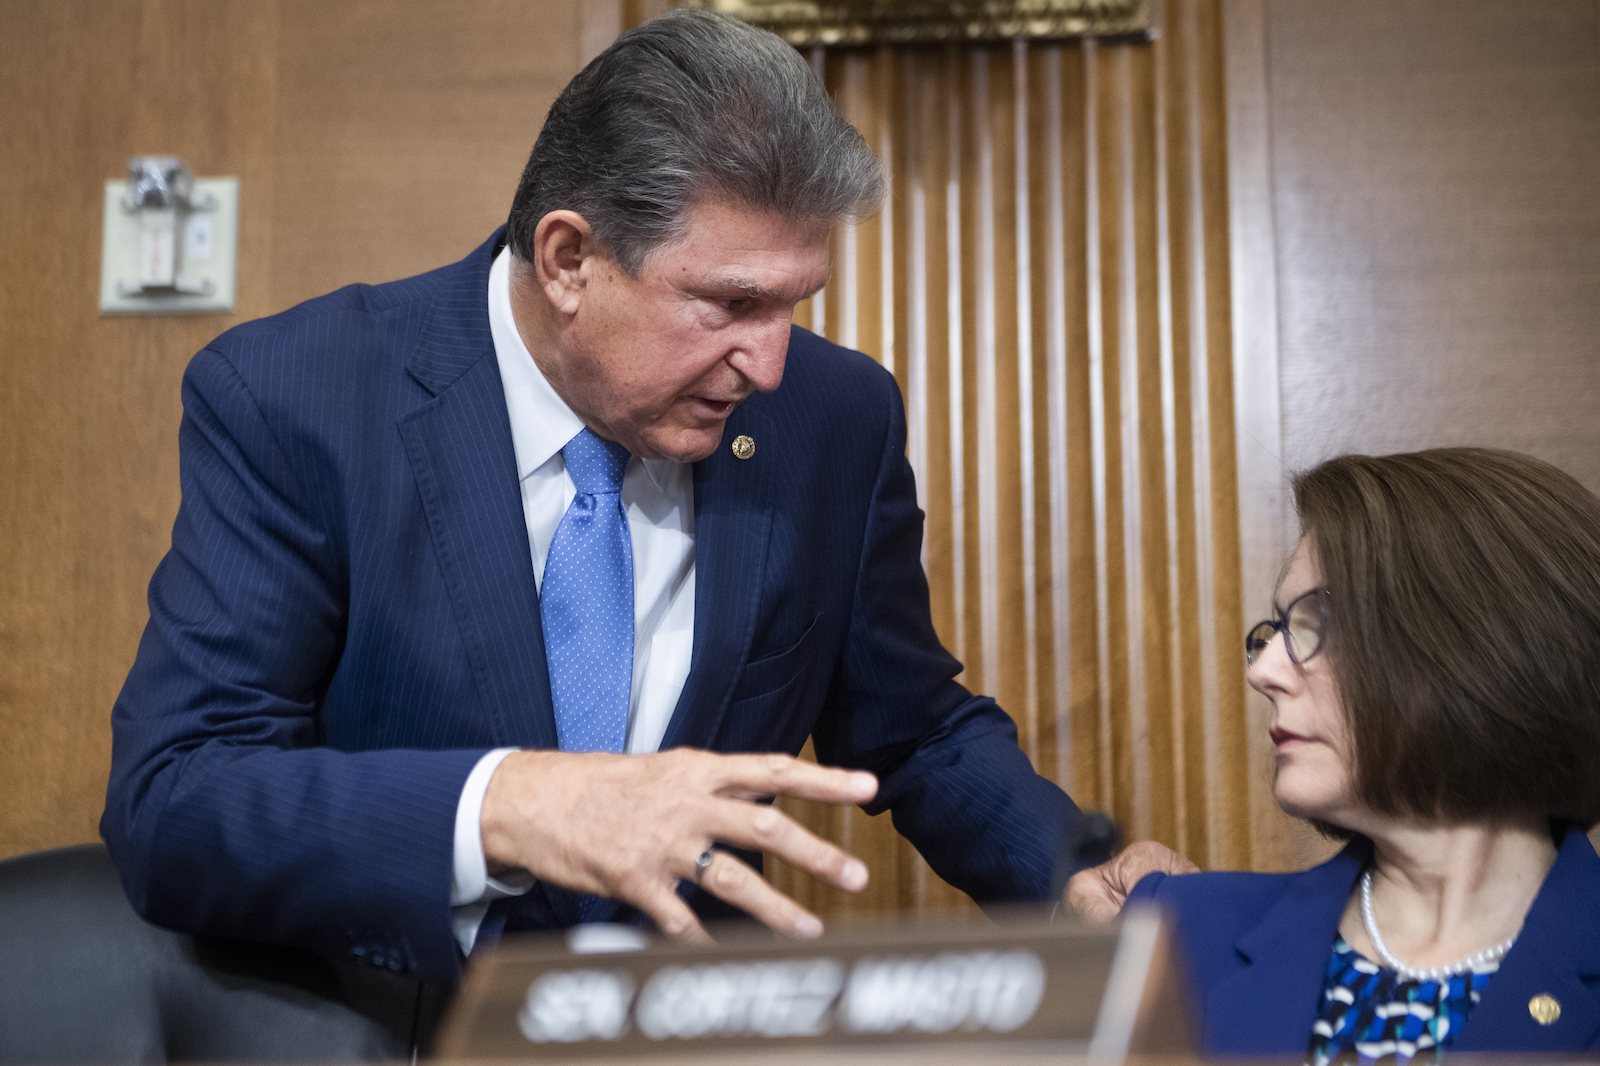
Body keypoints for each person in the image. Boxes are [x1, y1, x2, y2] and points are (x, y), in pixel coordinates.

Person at [100, 9, 1186, 985]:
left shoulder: (831, 419)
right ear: (570, 258)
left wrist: (1068, 875)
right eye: (728, 304)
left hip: (688, 1024)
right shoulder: (302, 399)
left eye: (795, 305)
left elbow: (914, 732)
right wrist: (517, 802)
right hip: (396, 1023)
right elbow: (177, 799)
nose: (769, 364)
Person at [1129, 448, 1600, 1061]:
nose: (1265, 670)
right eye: (1274, 632)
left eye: (1317, 619)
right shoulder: (1175, 932)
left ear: (1479, 649)